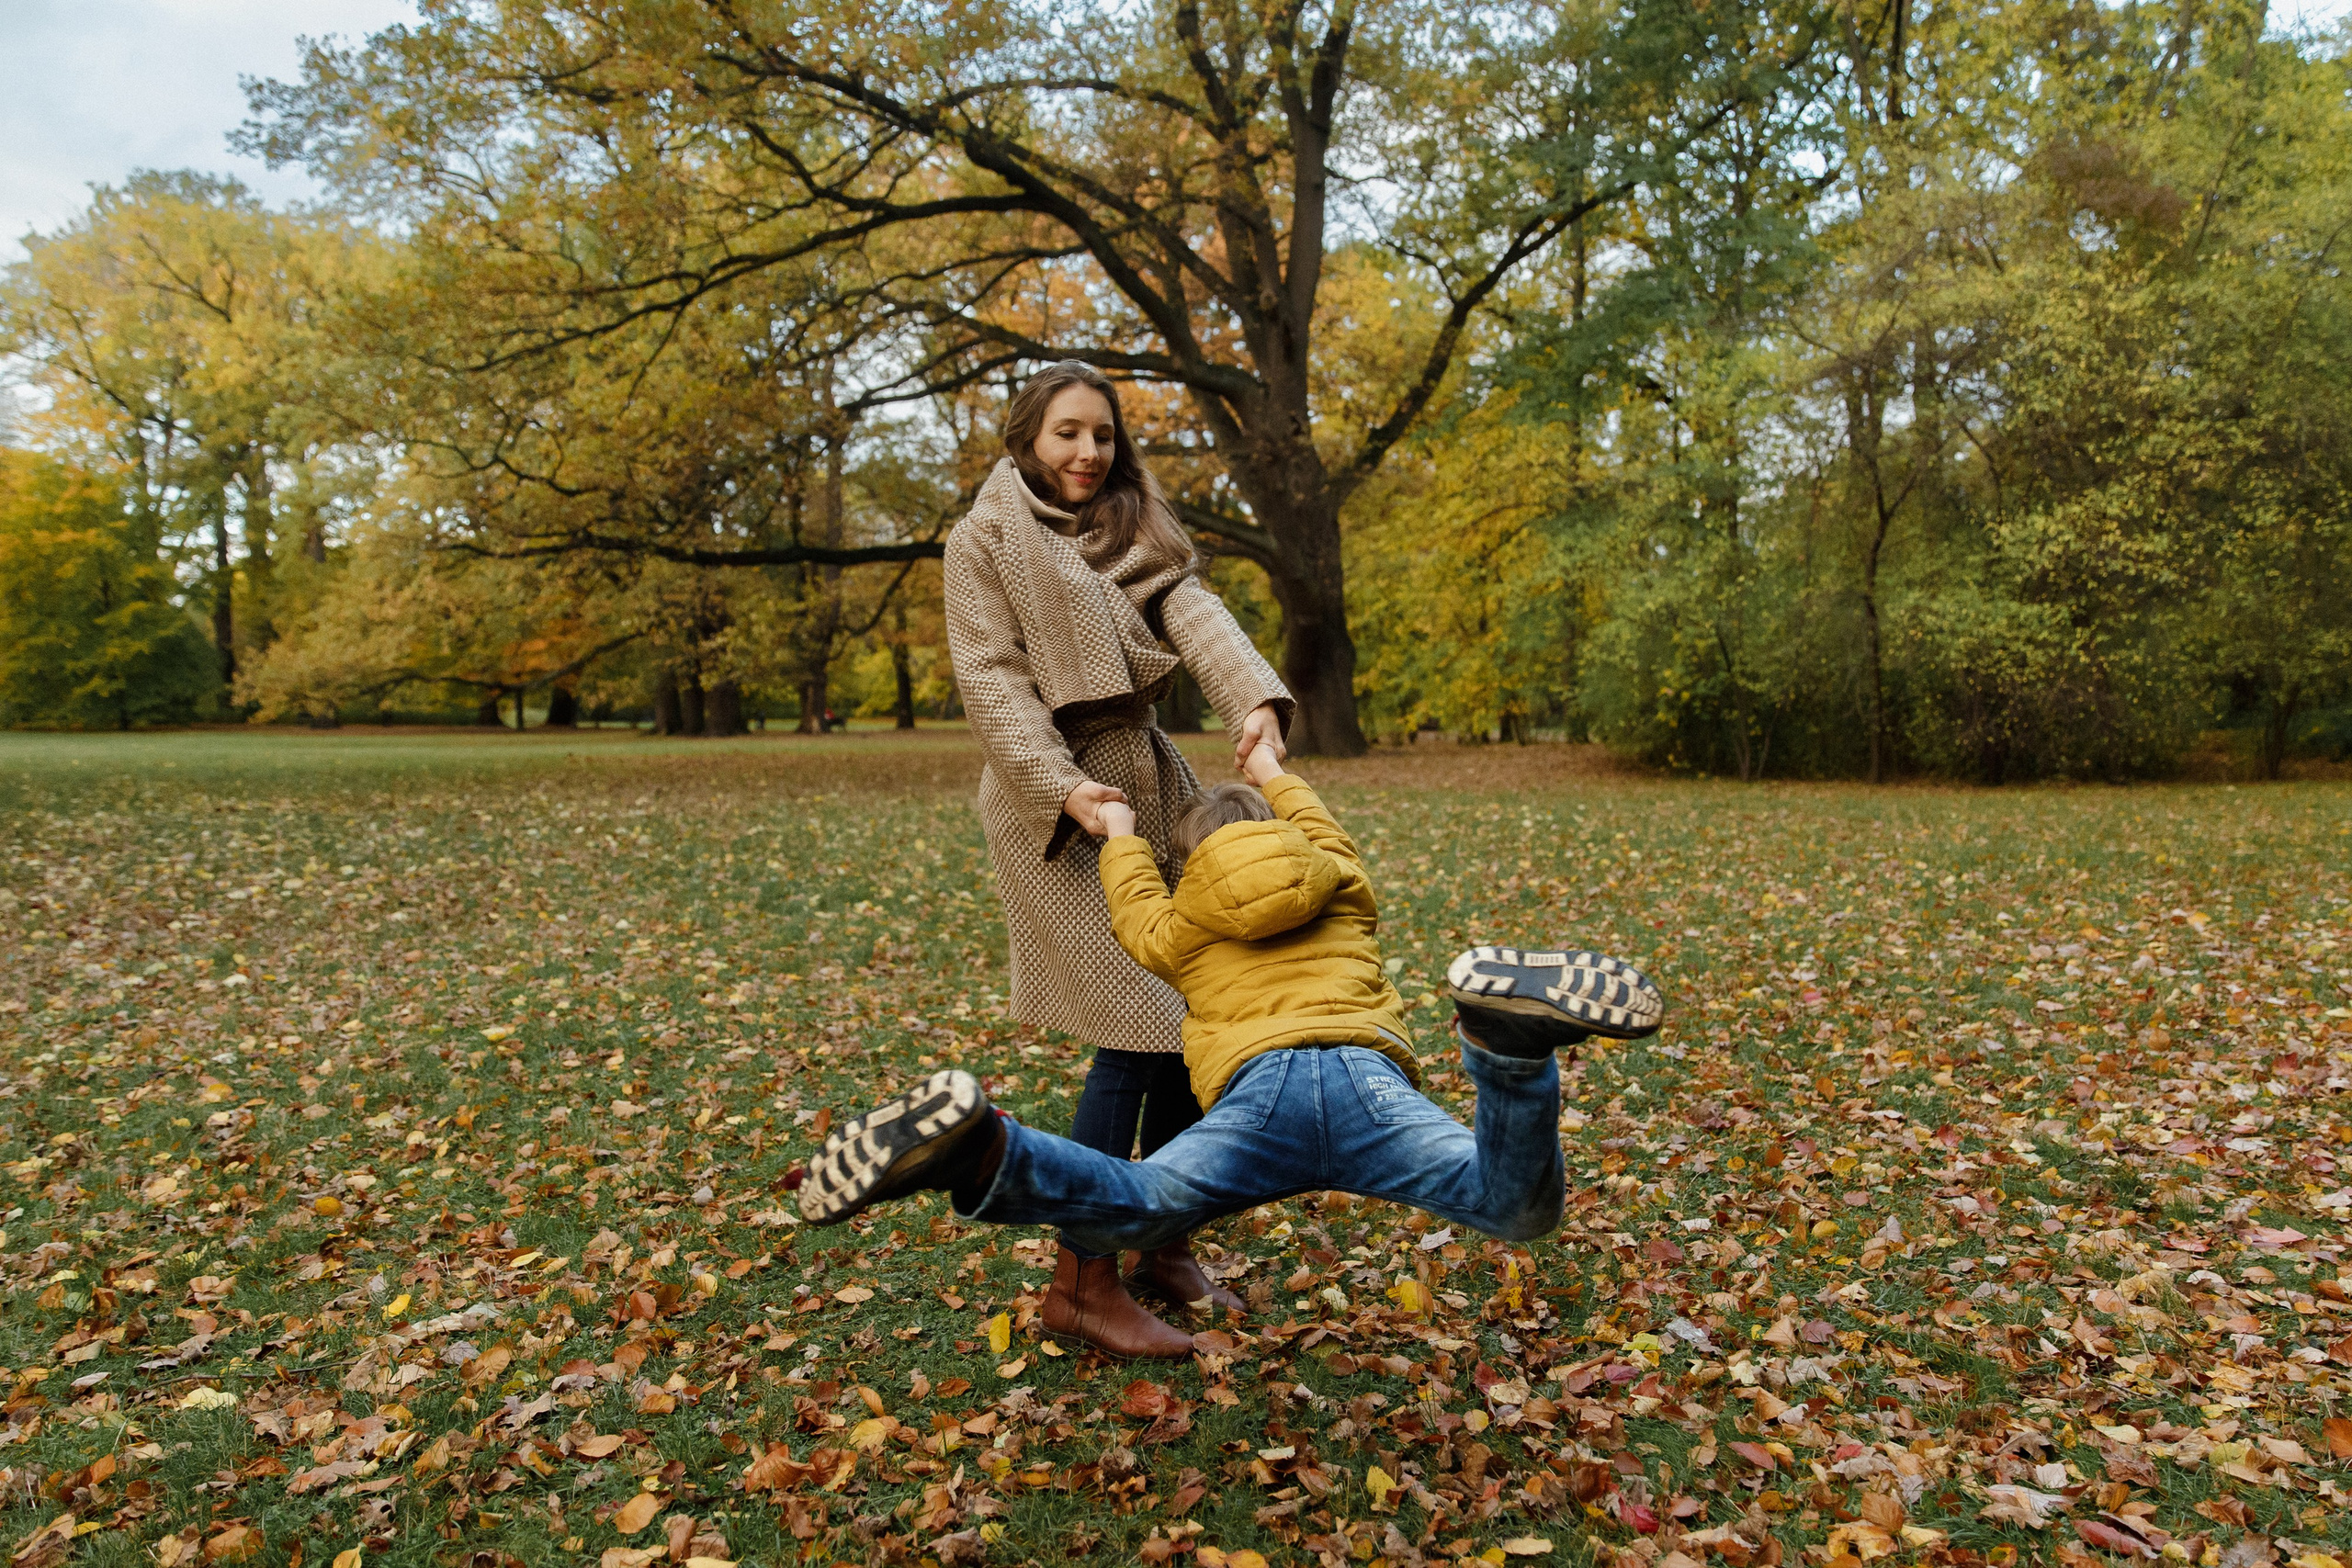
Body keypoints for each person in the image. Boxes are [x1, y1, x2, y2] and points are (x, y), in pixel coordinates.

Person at [797, 742, 1665, 1358]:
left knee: (1140, 1200)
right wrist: (1272, 771)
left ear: (1193, 860)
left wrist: (1120, 832)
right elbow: (1323, 832)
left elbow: (1134, 911)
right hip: (1367, 1081)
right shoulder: (1342, 885)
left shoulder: (1184, 925)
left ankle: (986, 1151)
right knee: (1513, 1205)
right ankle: (1506, 1047)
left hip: (1260, 1094)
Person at [943, 360, 1292, 1347]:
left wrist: (1255, 705)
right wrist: (1062, 787)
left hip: (1149, 785)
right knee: (1136, 1027)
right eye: (1066, 433)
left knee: (1188, 1011)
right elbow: (991, 680)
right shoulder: (983, 544)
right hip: (1055, 806)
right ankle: (1081, 1280)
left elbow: (1197, 617)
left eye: (1101, 434)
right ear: (1026, 438)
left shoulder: (1135, 529)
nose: (1087, 453)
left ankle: (1165, 1238)